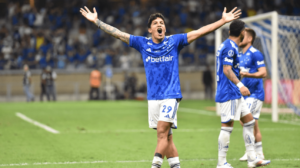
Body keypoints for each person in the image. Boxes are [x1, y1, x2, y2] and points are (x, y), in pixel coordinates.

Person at [80, 6, 241, 168]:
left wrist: (222, 21)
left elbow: (199, 32)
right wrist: (97, 22)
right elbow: (118, 33)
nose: (160, 25)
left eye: (162, 23)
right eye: (156, 23)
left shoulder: (174, 41)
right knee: (168, 137)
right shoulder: (142, 43)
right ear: (150, 29)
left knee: (162, 133)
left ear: (164, 28)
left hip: (171, 95)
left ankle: (155, 165)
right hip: (153, 98)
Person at [215, 20, 270, 168]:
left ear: (229, 32)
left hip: (233, 92)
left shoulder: (228, 45)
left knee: (249, 121)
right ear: (242, 32)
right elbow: (227, 69)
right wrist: (240, 85)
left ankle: (252, 158)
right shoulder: (230, 47)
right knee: (227, 126)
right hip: (229, 91)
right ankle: (221, 163)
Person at [238, 28, 268, 162]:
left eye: (242, 36)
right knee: (251, 124)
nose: (239, 38)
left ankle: (253, 154)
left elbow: (263, 73)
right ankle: (258, 153)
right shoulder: (240, 55)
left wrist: (247, 74)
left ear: (249, 39)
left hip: (255, 94)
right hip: (245, 95)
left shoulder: (256, 54)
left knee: (248, 122)